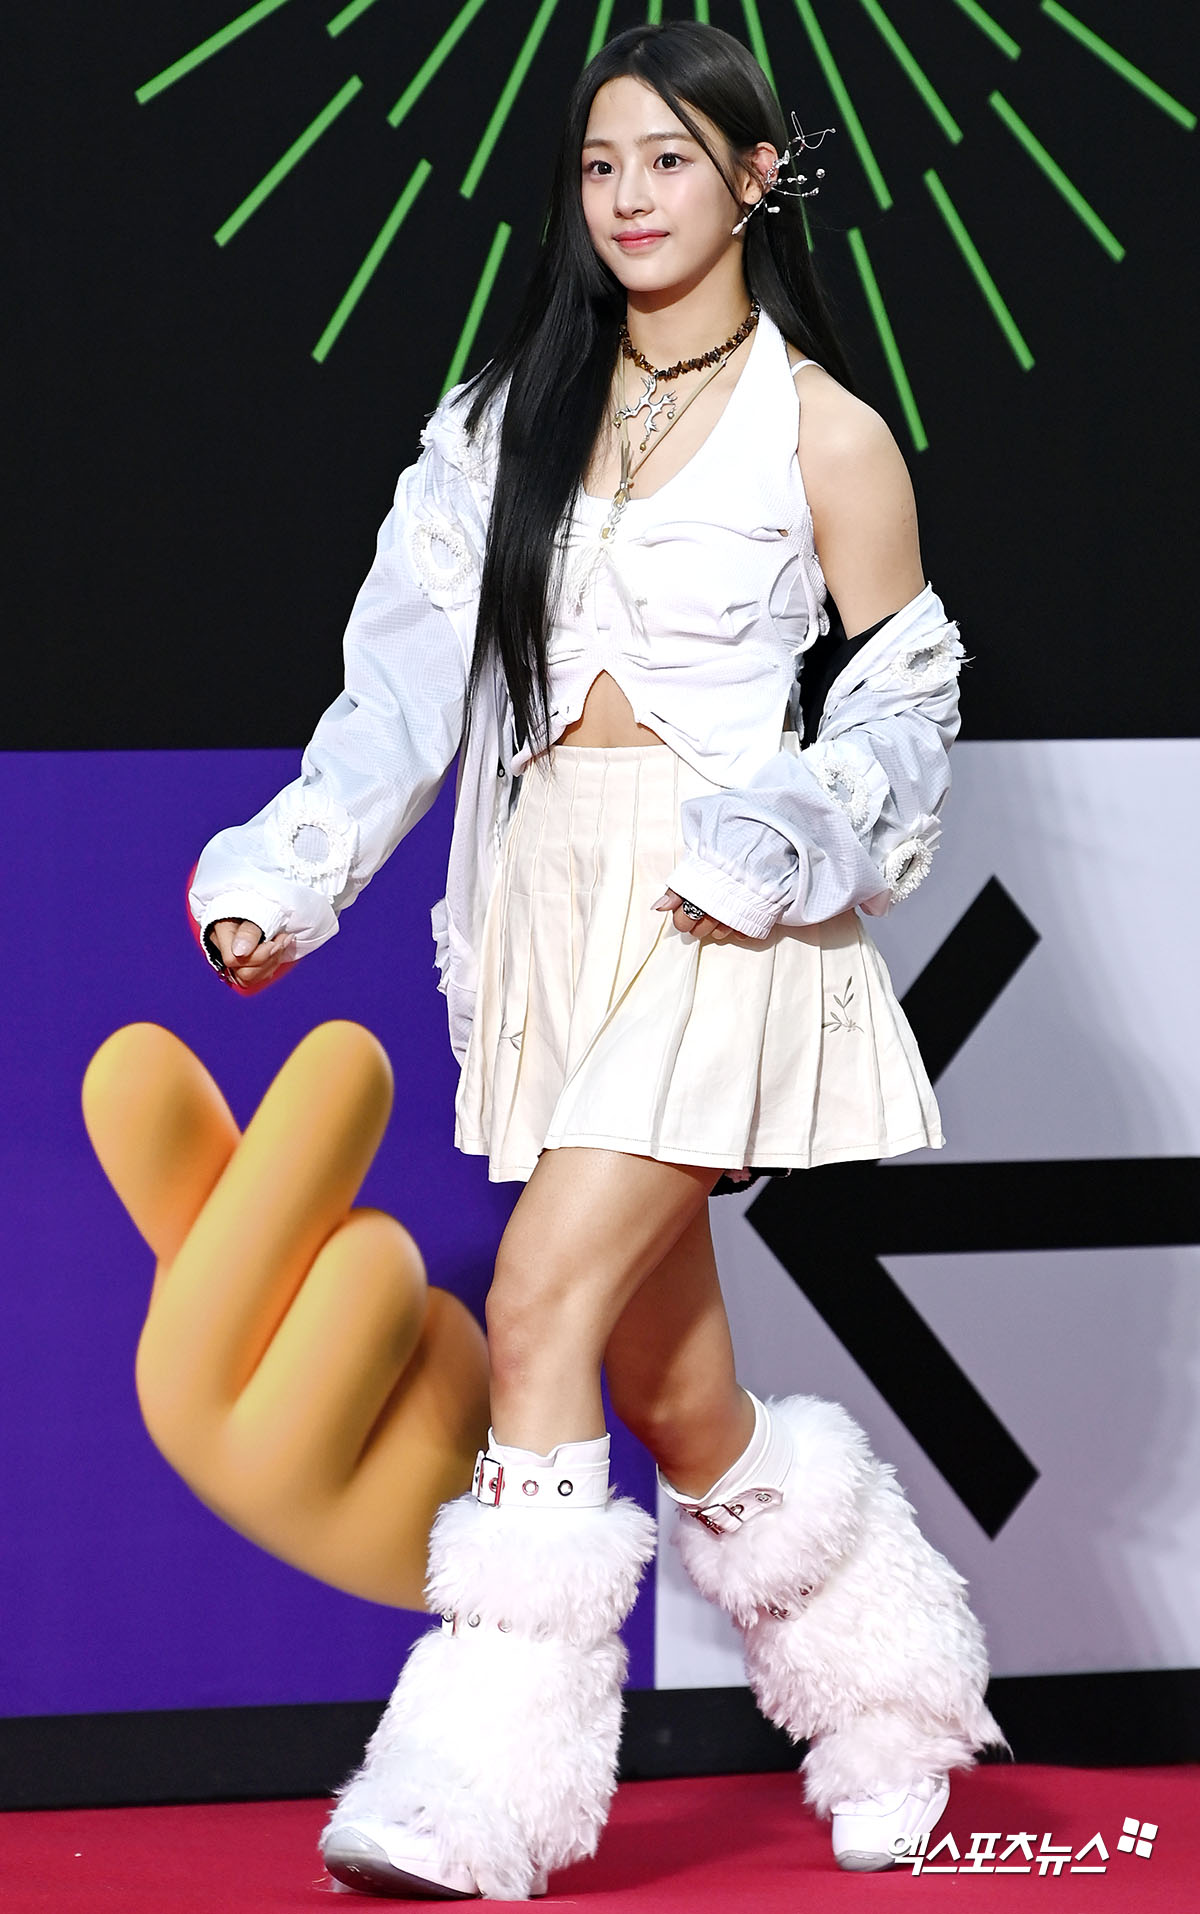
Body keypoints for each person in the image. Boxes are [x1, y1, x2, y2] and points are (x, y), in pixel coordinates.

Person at [189, 19, 1004, 1900]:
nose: (630, 196)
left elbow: (903, 704)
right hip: (550, 906)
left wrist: (788, 833)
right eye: (598, 164)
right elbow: (405, 685)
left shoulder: (825, 428)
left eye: (669, 159)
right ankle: (895, 1702)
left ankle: (483, 1787)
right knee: (678, 1396)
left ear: (755, 176)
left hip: (722, 906)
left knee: (539, 1302)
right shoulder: (505, 420)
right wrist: (291, 876)